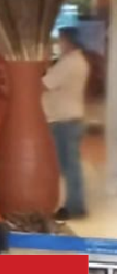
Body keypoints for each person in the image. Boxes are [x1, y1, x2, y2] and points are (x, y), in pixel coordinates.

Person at [45, 27, 89, 220]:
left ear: (68, 41)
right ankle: (71, 204)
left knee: (69, 167)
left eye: (60, 40)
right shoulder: (76, 61)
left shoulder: (69, 63)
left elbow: (44, 84)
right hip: (69, 119)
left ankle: (75, 206)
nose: (58, 45)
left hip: (65, 120)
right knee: (68, 166)